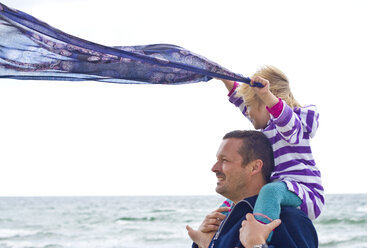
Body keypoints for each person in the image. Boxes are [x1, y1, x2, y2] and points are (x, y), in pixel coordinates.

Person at [218, 66, 324, 241]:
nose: (247, 111)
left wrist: (266, 95)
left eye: (251, 106)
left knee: (270, 191)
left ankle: (260, 237)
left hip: (305, 192)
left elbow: (284, 118)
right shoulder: (267, 125)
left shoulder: (292, 125)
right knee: (232, 201)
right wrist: (223, 78)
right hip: (282, 188)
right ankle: (214, 237)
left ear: (268, 105)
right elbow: (240, 100)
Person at [186, 130, 318, 248]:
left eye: (224, 160)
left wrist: (256, 245)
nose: (214, 168)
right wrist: (203, 244)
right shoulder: (223, 220)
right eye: (217, 160)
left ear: (255, 167)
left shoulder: (288, 219)